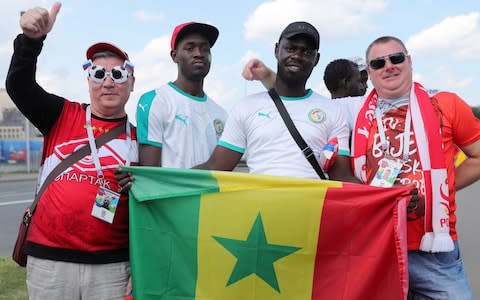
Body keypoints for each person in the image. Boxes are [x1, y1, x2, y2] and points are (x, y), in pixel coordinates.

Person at [6, 3, 137, 299]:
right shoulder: (62, 114)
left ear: (131, 82)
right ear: (87, 80)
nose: (107, 82)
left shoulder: (142, 140)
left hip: (112, 267)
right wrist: (30, 41)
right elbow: (18, 85)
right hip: (50, 262)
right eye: (97, 73)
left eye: (117, 74)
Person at [351, 35, 480, 299]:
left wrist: (441, 185)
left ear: (409, 61)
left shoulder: (446, 102)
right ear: (369, 73)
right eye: (378, 63)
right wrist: (266, 77)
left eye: (396, 58)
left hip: (433, 248)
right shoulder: (354, 112)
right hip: (378, 247)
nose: (389, 66)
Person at [195, 21, 358, 182]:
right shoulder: (246, 106)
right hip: (260, 208)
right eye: (291, 48)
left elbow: (342, 177)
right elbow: (215, 166)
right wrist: (169, 181)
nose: (297, 56)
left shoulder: (332, 111)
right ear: (277, 50)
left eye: (307, 52)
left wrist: (382, 198)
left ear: (316, 59)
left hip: (313, 208)